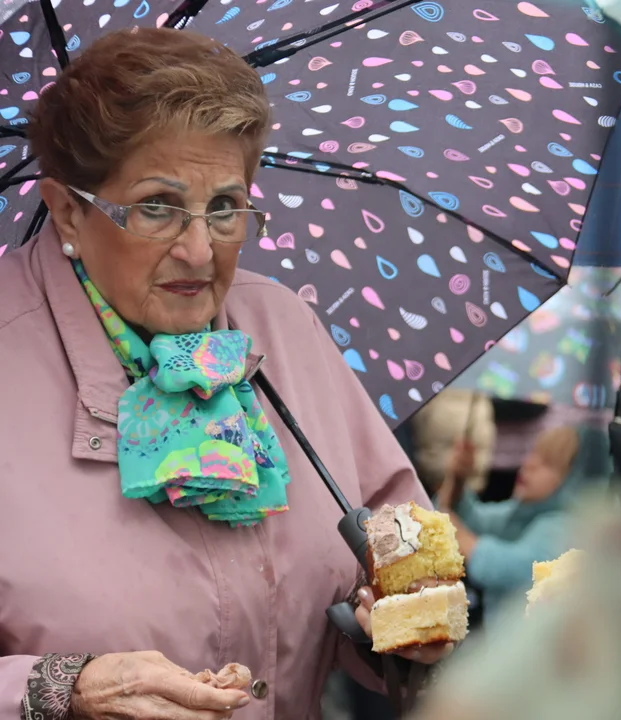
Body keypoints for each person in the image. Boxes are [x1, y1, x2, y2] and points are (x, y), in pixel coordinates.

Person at [0, 28, 448, 720]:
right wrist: (58, 691)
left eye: (225, 207)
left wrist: (399, 621)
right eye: (157, 206)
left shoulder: (283, 328)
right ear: (67, 211)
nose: (199, 250)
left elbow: (397, 535)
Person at [436, 426, 611, 614]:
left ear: (577, 483)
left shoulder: (568, 529)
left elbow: (511, 567)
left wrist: (449, 526)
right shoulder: (526, 511)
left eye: (548, 463)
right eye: (534, 454)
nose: (529, 463)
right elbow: (473, 521)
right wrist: (457, 481)